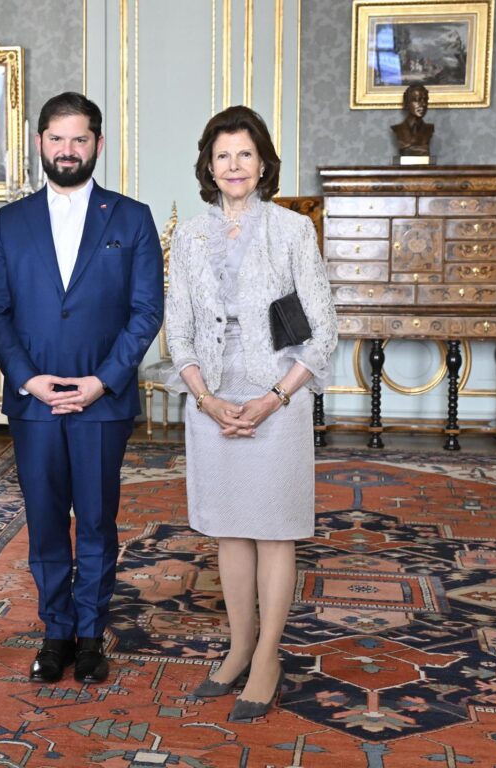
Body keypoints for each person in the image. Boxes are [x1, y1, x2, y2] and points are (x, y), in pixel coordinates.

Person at [0, 92, 164, 685]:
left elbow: (145, 312)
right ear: (40, 143)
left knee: (98, 523)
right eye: (56, 139)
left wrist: (101, 382)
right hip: (34, 403)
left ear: (98, 146)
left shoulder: (131, 218)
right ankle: (54, 633)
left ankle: (90, 634)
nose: (67, 150)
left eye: (79, 139)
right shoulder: (10, 222)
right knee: (45, 523)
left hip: (100, 404)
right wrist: (28, 380)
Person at [165, 105, 337, 720]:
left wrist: (273, 398)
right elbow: (177, 332)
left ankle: (268, 655)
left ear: (262, 162)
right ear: (208, 167)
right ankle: (238, 647)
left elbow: (321, 334)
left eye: (244, 154)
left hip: (277, 401)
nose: (233, 166)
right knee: (230, 530)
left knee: (274, 530)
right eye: (222, 156)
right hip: (212, 404)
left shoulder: (292, 231)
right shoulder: (189, 236)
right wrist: (207, 401)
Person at [391, 83, 434, 156]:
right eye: (417, 100)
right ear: (406, 103)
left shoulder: (429, 129)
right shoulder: (398, 129)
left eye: (425, 100)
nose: (423, 104)